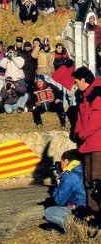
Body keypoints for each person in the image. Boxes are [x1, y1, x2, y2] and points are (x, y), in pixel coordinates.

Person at [72, 66, 101, 221]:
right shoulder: (84, 95)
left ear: (84, 80)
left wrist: (82, 134)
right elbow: (80, 117)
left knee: (97, 180)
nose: (76, 84)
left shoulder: (97, 94)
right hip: (87, 143)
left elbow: (97, 119)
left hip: (97, 144)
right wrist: (77, 132)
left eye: (77, 81)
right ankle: (93, 211)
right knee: (88, 180)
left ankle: (98, 212)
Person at [44, 149, 86, 231]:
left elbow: (59, 201)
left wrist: (59, 183)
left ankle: (76, 228)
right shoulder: (83, 169)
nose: (60, 164)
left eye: (61, 162)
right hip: (88, 207)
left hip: (80, 209)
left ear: (66, 161)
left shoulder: (70, 175)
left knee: (49, 212)